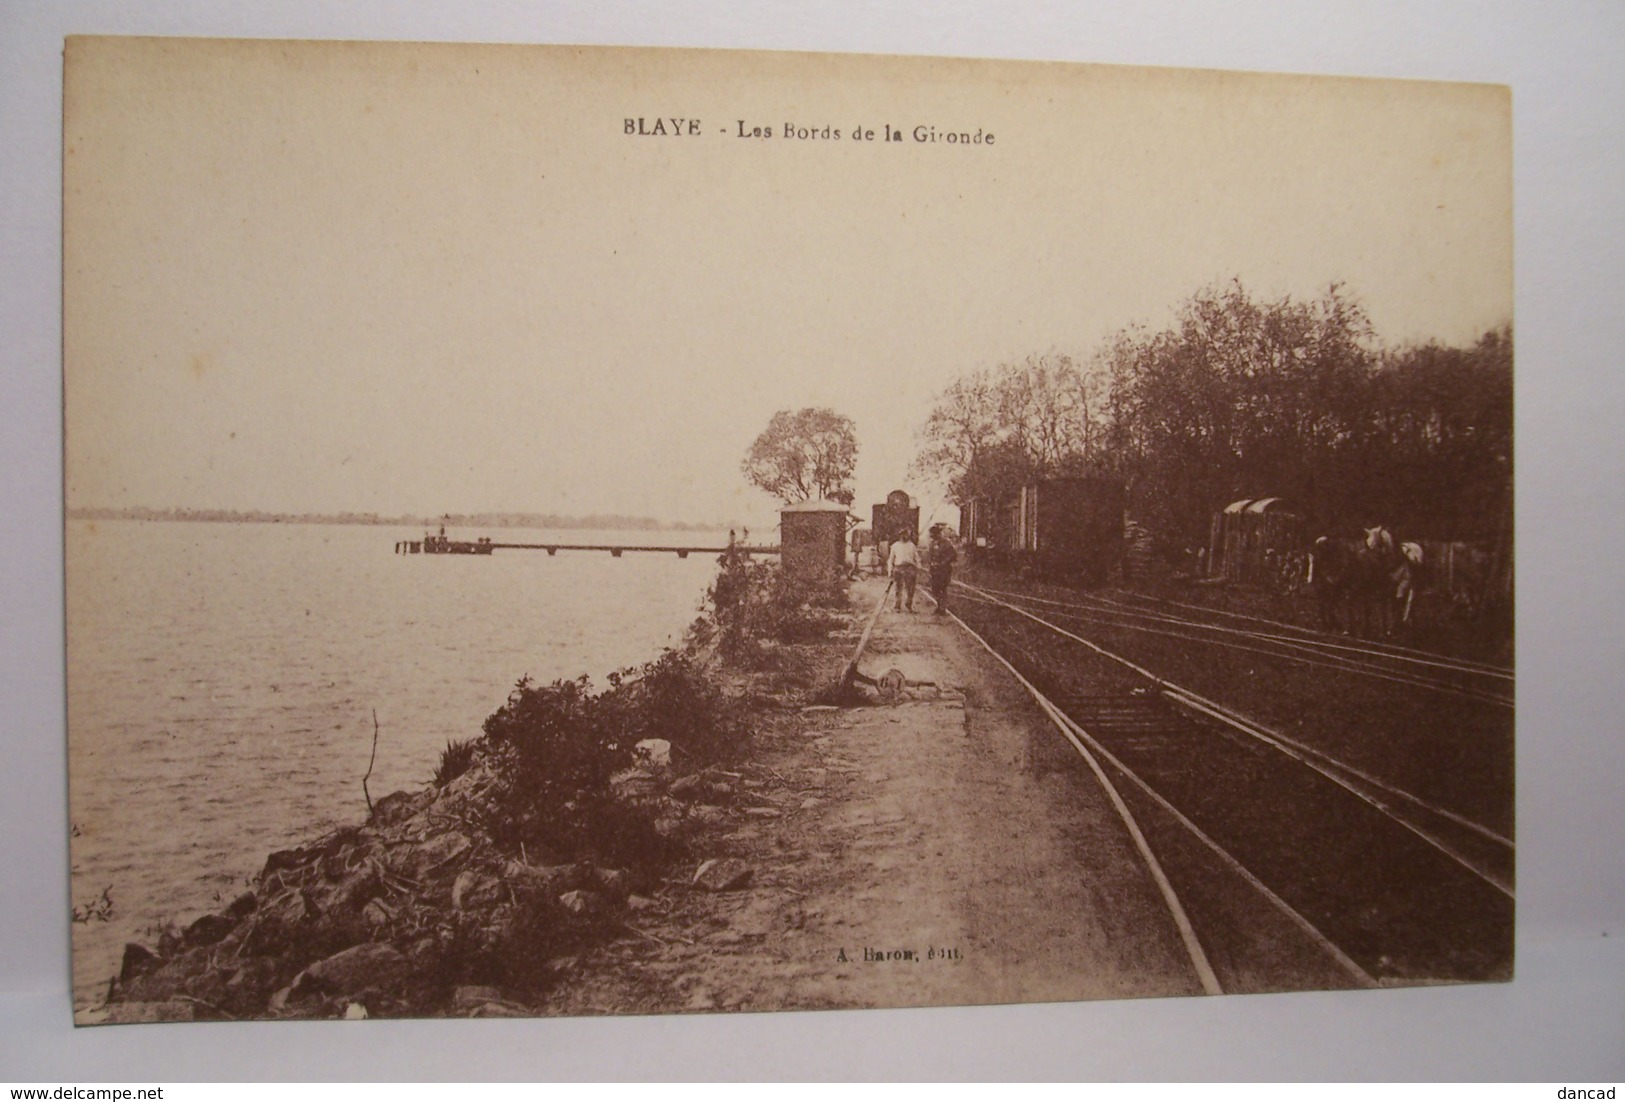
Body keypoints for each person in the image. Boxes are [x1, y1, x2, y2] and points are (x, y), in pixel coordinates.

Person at [927, 525, 958, 614]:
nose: (931, 536)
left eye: (932, 534)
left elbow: (953, 555)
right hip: (934, 570)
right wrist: (931, 563)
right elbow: (930, 555)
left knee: (942, 588)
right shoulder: (932, 544)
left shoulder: (946, 543)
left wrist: (942, 563)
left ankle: (942, 608)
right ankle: (939, 604)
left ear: (937, 534)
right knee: (934, 589)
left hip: (944, 570)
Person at [887, 530, 920, 612]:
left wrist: (918, 567)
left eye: (906, 535)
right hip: (899, 568)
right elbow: (890, 559)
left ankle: (909, 605)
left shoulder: (912, 545)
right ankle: (897, 606)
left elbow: (917, 558)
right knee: (898, 588)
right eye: (903, 535)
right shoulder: (895, 546)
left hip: (910, 568)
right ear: (900, 535)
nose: (904, 536)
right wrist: (890, 570)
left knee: (910, 588)